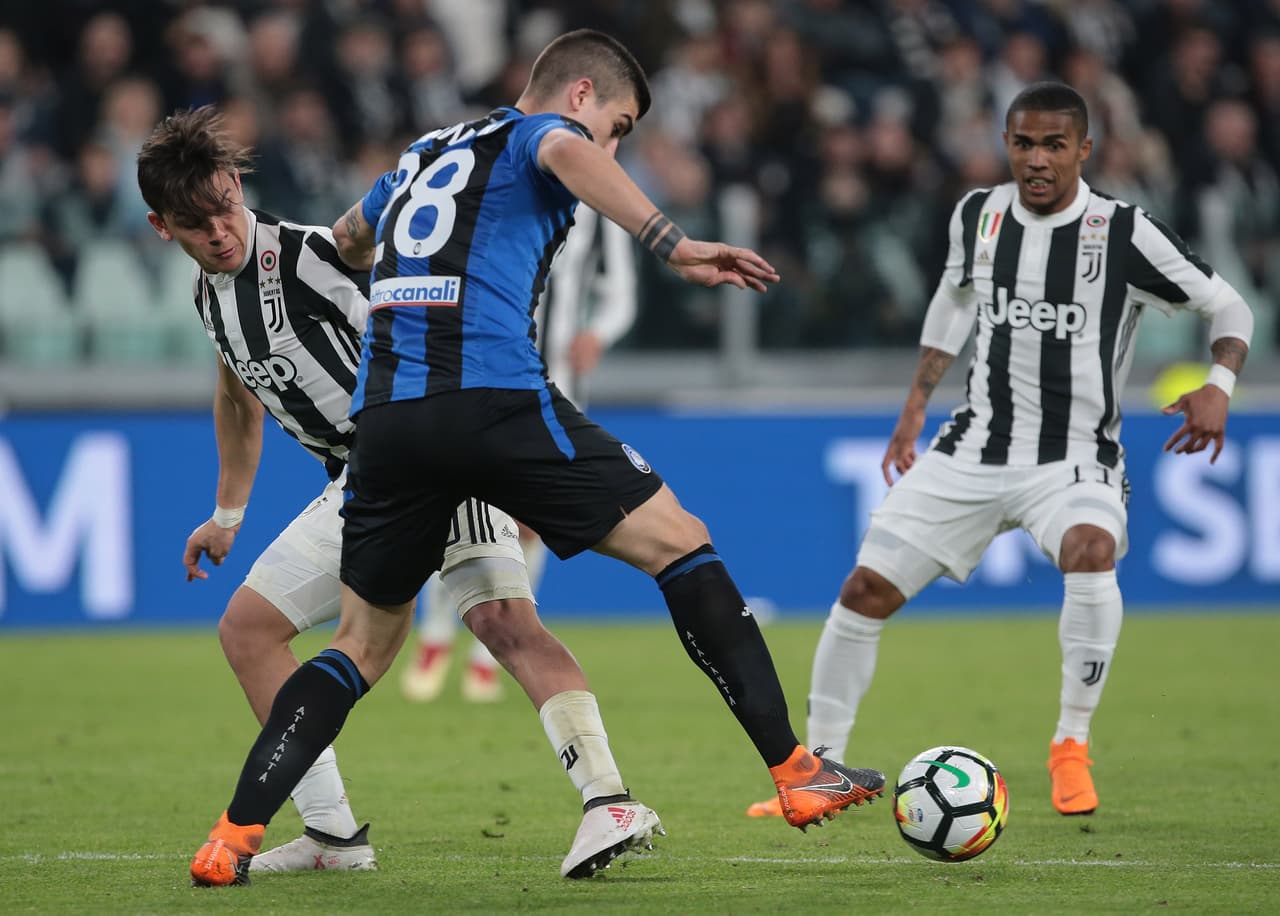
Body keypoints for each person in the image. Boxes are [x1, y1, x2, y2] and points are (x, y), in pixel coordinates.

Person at [188, 29, 887, 888]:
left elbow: (347, 239)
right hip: (493, 395)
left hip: (391, 425)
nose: (612, 144)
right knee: (679, 542)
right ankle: (794, 770)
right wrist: (675, 243)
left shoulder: (420, 153)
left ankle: (233, 834)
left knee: (362, 645)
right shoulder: (540, 133)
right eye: (619, 124)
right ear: (582, 94)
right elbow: (561, 147)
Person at [138, 105, 662, 883]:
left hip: (409, 460)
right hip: (373, 484)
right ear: (161, 227)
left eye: (225, 207)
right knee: (267, 633)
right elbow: (236, 398)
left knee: (499, 626)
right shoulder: (212, 298)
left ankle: (603, 800)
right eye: (196, 223)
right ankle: (336, 834)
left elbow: (409, 317)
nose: (220, 231)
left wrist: (468, 425)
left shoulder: (309, 258)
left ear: (239, 185)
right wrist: (227, 513)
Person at [745, 82, 1253, 821]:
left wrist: (1220, 385)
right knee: (862, 593)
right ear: (1005, 143)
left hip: (1075, 454)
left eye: (1054, 145)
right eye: (1023, 143)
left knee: (1089, 547)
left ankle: (1069, 746)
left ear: (1085, 148)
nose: (1037, 160)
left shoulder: (1123, 231)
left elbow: (1227, 303)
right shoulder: (977, 214)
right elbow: (954, 298)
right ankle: (819, 770)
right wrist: (916, 403)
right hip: (974, 446)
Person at [401, 203, 637, 704]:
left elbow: (620, 294)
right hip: (480, 372)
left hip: (556, 386)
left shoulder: (598, 205)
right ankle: (435, 637)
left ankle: (490, 655)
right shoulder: (496, 186)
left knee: (532, 521)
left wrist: (598, 334)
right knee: (459, 506)